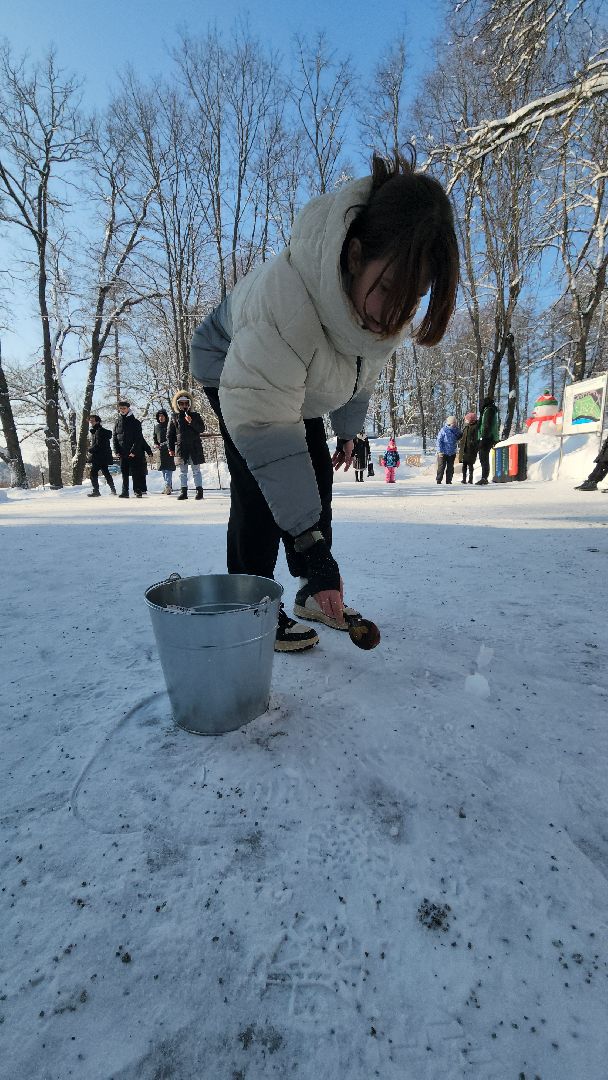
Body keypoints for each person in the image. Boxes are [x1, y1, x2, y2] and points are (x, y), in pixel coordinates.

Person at [190, 151, 459, 652]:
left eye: (416, 297)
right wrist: (313, 546)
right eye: (391, 289)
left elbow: (362, 370)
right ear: (354, 255)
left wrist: (348, 431)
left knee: (314, 475)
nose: (399, 313)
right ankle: (251, 606)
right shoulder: (285, 304)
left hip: (297, 372)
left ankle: (315, 593)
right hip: (232, 360)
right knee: (261, 486)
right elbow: (268, 436)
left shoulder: (379, 310)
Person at [168, 390, 205, 500]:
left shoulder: (195, 415)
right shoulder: (174, 417)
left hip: (195, 447)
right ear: (178, 404)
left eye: (186, 403)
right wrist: (171, 448)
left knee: (196, 471)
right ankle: (183, 492)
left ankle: (199, 491)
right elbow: (170, 434)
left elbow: (202, 429)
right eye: (181, 403)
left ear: (189, 403)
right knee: (183, 472)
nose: (184, 405)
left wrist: (191, 422)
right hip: (181, 447)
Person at [113, 401, 146, 498]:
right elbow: (115, 437)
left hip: (133, 453)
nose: (122, 410)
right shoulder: (117, 422)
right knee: (124, 473)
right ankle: (125, 491)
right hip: (122, 452)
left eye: (124, 408)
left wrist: (133, 451)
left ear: (128, 409)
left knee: (136, 472)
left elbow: (138, 438)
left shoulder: (135, 422)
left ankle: (137, 490)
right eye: (121, 408)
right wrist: (116, 451)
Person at [86, 414, 116, 497]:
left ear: (97, 421)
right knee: (106, 472)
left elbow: (99, 445)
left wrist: (89, 450)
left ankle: (96, 491)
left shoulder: (99, 431)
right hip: (103, 456)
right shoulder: (97, 431)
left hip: (99, 456)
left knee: (93, 473)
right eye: (90, 421)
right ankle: (113, 490)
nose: (91, 422)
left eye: (92, 420)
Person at [476, 395, 500, 484]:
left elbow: (487, 425)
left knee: (484, 458)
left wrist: (483, 437)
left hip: (487, 437)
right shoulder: (488, 410)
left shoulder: (489, 410)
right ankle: (484, 477)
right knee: (483, 458)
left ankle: (484, 478)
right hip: (487, 437)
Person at [154, 409, 175, 494]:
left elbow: (173, 435)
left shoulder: (170, 425)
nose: (161, 417)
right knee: (163, 469)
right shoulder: (156, 427)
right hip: (160, 451)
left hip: (169, 449)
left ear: (166, 417)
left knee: (168, 469)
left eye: (162, 416)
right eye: (159, 416)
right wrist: (156, 444)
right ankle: (168, 486)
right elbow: (154, 437)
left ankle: (167, 485)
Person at [436, 416, 462, 484]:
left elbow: (460, 436)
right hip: (443, 453)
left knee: (450, 468)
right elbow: (439, 441)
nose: (455, 424)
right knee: (441, 467)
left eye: (455, 423)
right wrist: (439, 451)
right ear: (449, 423)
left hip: (452, 452)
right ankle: (439, 480)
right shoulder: (443, 430)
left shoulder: (457, 430)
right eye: (453, 423)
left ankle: (449, 481)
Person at [458, 411, 479, 484]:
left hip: (471, 449)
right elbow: (462, 436)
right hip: (464, 449)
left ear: (471, 420)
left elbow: (476, 438)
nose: (466, 421)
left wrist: (472, 443)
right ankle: (464, 479)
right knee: (464, 465)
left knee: (470, 465)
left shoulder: (475, 427)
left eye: (467, 419)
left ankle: (470, 479)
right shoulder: (466, 427)